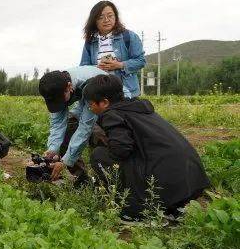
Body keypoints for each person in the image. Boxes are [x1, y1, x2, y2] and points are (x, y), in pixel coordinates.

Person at [84, 74, 209, 220]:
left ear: (104, 102)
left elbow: (121, 150)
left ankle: (136, 212)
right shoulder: (137, 108)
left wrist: (101, 141)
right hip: (191, 180)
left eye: (91, 104)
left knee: (99, 155)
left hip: (167, 183)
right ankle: (174, 206)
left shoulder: (112, 114)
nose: (90, 108)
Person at [38, 66, 113, 185]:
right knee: (70, 126)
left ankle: (107, 181)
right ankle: (82, 181)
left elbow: (85, 127)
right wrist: (52, 150)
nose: (58, 104)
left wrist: (66, 161)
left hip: (109, 103)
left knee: (98, 133)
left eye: (59, 100)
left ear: (69, 87)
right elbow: (57, 124)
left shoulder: (88, 83)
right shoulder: (57, 88)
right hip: (86, 101)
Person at [80, 0, 145, 98]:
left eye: (110, 16)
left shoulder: (129, 36)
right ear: (94, 20)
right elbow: (83, 67)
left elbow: (141, 61)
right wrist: (97, 68)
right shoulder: (90, 42)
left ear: (116, 17)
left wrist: (119, 65)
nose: (106, 20)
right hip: (99, 94)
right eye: (101, 17)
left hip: (126, 93)